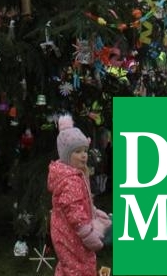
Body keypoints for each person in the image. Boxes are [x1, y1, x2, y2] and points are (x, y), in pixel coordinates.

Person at [47, 115, 111, 276]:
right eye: (77, 152)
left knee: (73, 265)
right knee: (78, 267)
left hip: (69, 232)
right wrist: (88, 234)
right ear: (66, 156)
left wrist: (94, 212)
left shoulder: (77, 174)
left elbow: (82, 201)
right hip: (70, 234)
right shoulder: (70, 181)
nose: (84, 155)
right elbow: (74, 212)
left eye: (85, 151)